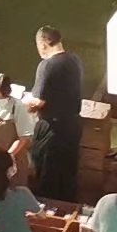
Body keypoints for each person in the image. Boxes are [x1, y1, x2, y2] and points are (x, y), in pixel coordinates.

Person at [23, 24, 83, 200]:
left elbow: (38, 101)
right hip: (73, 125)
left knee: (46, 174)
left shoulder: (47, 65)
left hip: (52, 128)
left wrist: (22, 105)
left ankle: (46, 210)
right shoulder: (75, 60)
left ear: (43, 44)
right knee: (68, 175)